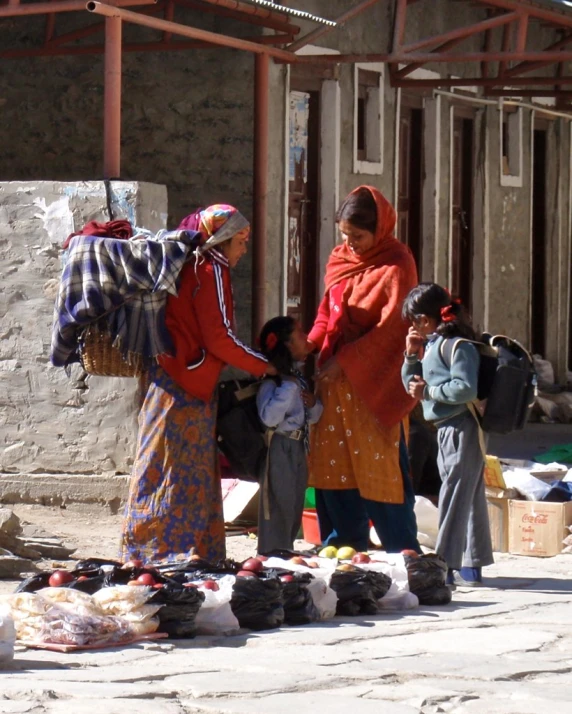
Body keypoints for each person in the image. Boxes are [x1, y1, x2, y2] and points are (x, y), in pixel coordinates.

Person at [120, 205, 276, 565]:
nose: (243, 250)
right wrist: (264, 367)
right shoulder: (211, 269)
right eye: (240, 241)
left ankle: (151, 550)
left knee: (161, 463)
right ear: (222, 239)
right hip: (187, 383)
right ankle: (175, 552)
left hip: (168, 377)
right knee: (180, 469)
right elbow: (220, 338)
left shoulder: (188, 265)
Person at [307, 185, 421, 554]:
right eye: (344, 235)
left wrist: (345, 360)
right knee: (333, 467)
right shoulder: (340, 259)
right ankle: (344, 545)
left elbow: (393, 328)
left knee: (381, 470)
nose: (350, 244)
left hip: (375, 387)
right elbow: (329, 312)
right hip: (334, 385)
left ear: (380, 229)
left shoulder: (397, 264)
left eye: (357, 236)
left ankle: (402, 551)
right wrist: (310, 346)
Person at [401, 282, 494, 587]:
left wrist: (430, 391)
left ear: (426, 319)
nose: (413, 327)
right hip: (445, 429)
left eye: (415, 320)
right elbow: (410, 385)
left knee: (453, 495)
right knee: (468, 495)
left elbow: (465, 388)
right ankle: (472, 563)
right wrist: (410, 356)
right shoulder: (430, 347)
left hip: (463, 428)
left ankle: (445, 564)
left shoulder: (459, 347)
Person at [256, 316, 323, 553]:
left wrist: (313, 403)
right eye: (300, 336)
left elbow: (312, 417)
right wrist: (289, 388)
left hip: (298, 447)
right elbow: (270, 418)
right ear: (286, 345)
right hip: (279, 447)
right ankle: (271, 556)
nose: (307, 340)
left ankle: (286, 551)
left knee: (294, 504)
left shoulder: (299, 380)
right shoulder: (273, 382)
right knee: (277, 504)